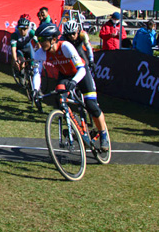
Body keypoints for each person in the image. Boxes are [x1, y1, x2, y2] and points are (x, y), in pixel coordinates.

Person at [31, 23, 110, 151]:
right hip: (65, 75)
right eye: (38, 39)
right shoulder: (40, 53)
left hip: (81, 74)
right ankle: (76, 126)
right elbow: (37, 73)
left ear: (54, 39)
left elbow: (81, 69)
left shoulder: (66, 47)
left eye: (42, 39)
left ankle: (103, 134)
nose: (40, 43)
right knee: (59, 98)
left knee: (91, 106)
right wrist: (35, 89)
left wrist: (74, 82)